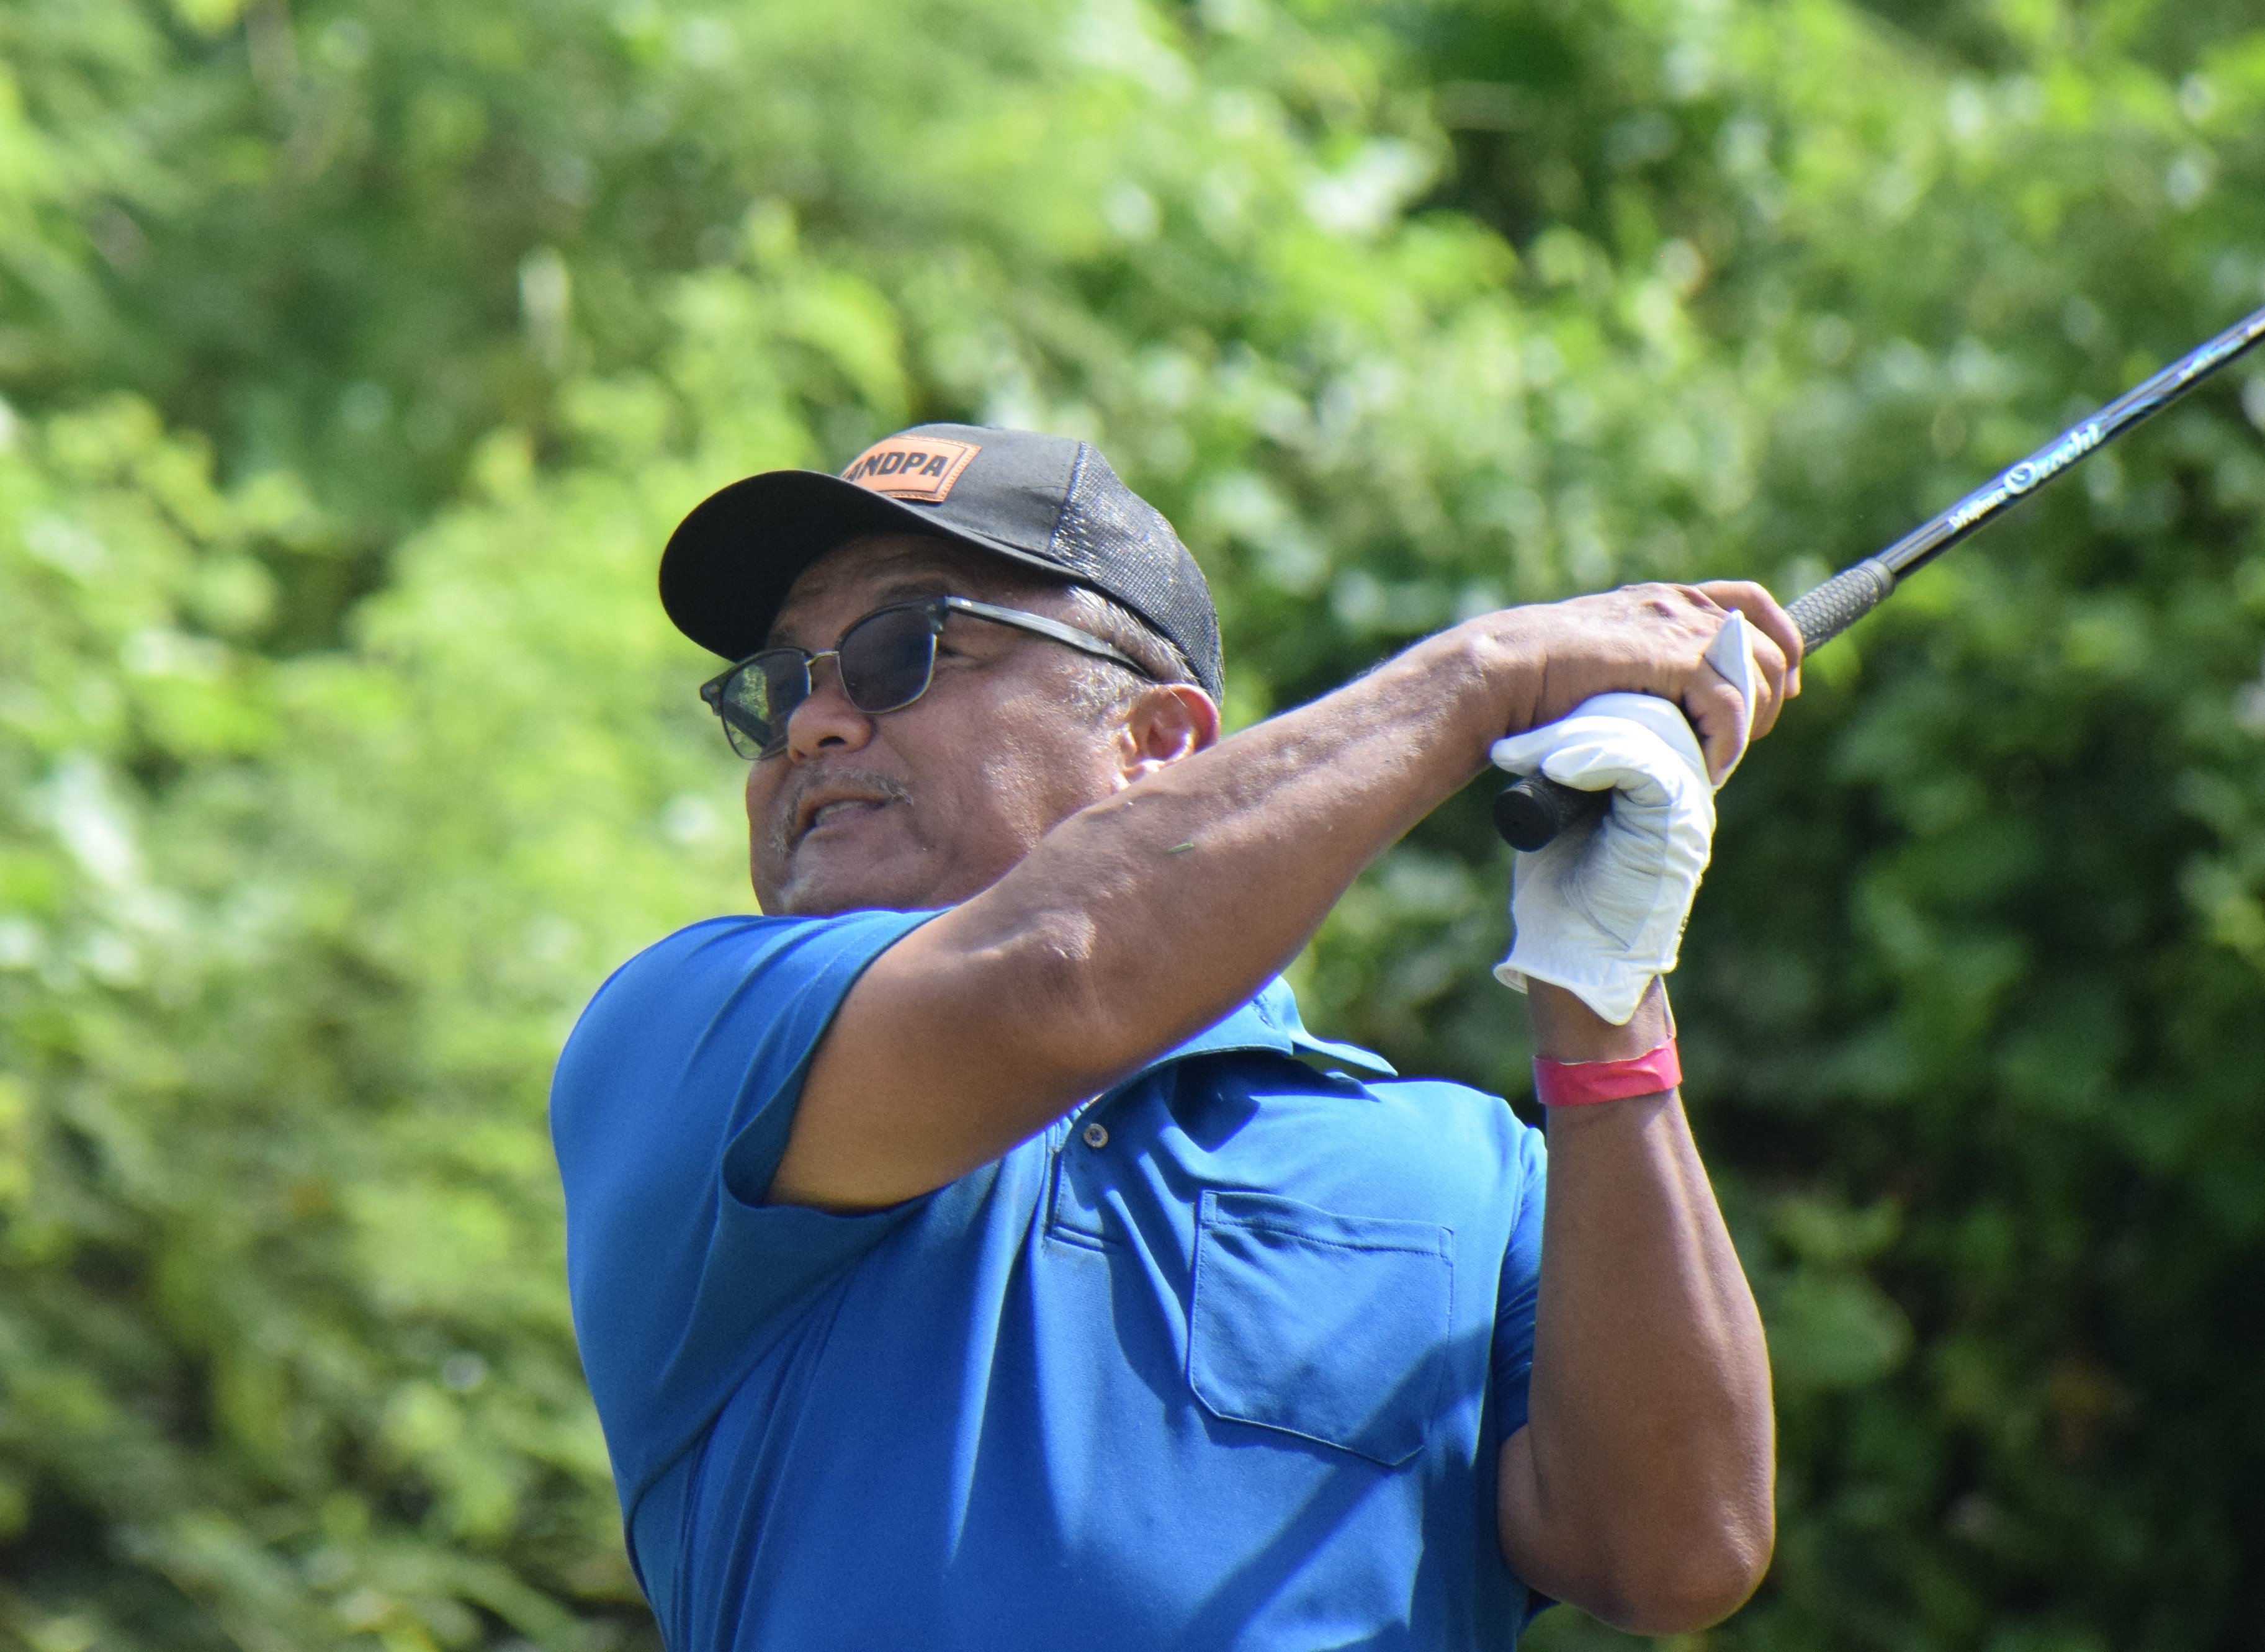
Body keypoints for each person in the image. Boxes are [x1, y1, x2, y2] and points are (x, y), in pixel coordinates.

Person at [550, 423, 1799, 1650]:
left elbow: (1677, 1551)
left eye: (899, 650)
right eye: (776, 688)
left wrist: (1604, 984)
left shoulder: (1469, 1166)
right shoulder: (688, 1039)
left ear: (1155, 745)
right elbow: (1059, 979)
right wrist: (1485, 675)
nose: (809, 725)